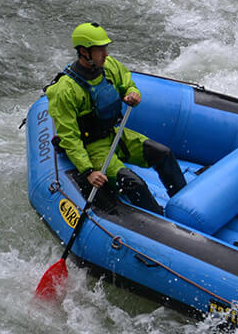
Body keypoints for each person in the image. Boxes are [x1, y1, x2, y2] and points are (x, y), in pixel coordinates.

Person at [45, 22, 186, 215]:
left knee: (164, 154)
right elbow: (69, 137)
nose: (106, 54)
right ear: (84, 52)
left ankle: (185, 207)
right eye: (100, 49)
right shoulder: (65, 90)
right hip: (93, 149)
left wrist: (133, 93)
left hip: (116, 135)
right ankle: (161, 222)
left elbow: (127, 84)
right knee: (134, 183)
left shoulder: (109, 67)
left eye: (105, 48)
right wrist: (88, 171)